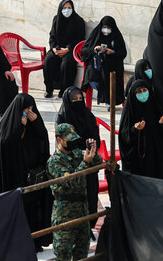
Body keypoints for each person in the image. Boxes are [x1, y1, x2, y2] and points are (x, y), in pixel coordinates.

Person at [0, 94, 52, 251]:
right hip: (16, 176)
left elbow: (43, 139)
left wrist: (36, 123)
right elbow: (6, 145)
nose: (29, 112)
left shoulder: (34, 121)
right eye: (25, 109)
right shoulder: (8, 123)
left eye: (31, 108)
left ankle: (36, 241)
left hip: (34, 176)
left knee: (35, 209)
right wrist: (20, 127)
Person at [47, 123, 101, 261]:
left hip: (82, 212)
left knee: (81, 253)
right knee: (63, 253)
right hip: (64, 214)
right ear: (59, 140)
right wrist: (85, 163)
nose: (72, 143)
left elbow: (98, 163)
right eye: (68, 140)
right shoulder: (54, 161)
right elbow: (71, 182)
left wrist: (92, 153)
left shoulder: (77, 153)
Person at [56, 87, 100, 224]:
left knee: (90, 194)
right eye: (74, 99)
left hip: (89, 159)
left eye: (80, 99)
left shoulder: (87, 113)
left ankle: (89, 224)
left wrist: (92, 144)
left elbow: (94, 133)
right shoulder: (63, 116)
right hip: (72, 163)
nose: (78, 102)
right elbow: (63, 140)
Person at [120, 79, 163, 181]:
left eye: (144, 90)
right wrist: (135, 129)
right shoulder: (130, 111)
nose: (143, 94)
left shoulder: (154, 106)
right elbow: (124, 136)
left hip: (155, 154)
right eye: (139, 92)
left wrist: (162, 124)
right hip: (139, 159)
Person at [43, 0, 85, 98]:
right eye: (64, 8)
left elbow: (79, 38)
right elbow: (52, 36)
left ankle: (64, 90)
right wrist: (54, 49)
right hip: (57, 48)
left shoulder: (78, 21)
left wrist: (67, 49)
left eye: (69, 8)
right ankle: (49, 89)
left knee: (67, 64)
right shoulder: (56, 19)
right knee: (48, 60)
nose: (67, 10)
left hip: (71, 50)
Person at [81, 16, 127, 106]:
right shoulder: (95, 35)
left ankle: (109, 100)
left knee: (109, 77)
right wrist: (94, 49)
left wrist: (111, 51)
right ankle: (106, 97)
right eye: (104, 27)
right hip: (96, 67)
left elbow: (122, 53)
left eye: (109, 28)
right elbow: (84, 50)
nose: (106, 30)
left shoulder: (116, 37)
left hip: (112, 66)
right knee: (93, 79)